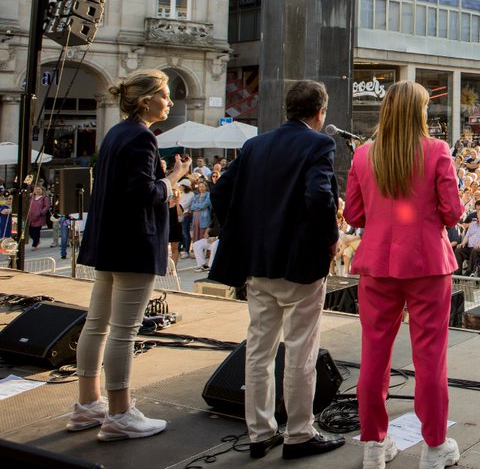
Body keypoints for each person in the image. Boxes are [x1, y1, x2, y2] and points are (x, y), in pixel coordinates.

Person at [209, 80, 345, 460]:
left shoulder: (255, 145)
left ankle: (259, 433)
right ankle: (299, 433)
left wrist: (242, 232)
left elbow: (220, 192)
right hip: (300, 264)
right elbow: (319, 195)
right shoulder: (318, 143)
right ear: (320, 111)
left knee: (258, 351)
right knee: (301, 350)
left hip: (257, 263)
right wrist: (330, 238)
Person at [344, 80, 464, 469]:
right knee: (430, 356)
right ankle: (434, 447)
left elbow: (354, 215)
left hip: (377, 265)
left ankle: (374, 446)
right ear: (419, 112)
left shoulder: (363, 154)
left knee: (373, 355)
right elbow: (453, 212)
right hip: (428, 263)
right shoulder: (436, 150)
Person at [70, 69, 192, 440]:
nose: (170, 101)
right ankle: (120, 413)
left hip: (109, 242)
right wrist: (173, 179)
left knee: (97, 323)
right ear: (145, 101)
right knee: (123, 331)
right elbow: (143, 193)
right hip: (133, 244)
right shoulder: (141, 137)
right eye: (165, 95)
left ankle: (88, 405)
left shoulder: (116, 133)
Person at [27, 184, 51, 250]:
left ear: (42, 190)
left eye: (39, 189)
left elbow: (47, 206)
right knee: (30, 231)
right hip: (31, 216)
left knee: (36, 231)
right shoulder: (31, 197)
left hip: (39, 216)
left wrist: (41, 212)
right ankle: (37, 240)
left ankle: (34, 245)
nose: (37, 191)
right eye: (36, 189)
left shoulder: (45, 198)